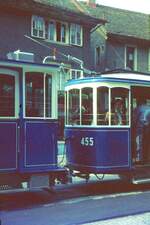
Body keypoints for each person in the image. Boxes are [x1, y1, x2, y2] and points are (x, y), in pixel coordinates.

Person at [133, 98, 150, 163]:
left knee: (139, 143)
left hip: (140, 128)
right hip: (148, 128)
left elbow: (134, 119)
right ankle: (147, 158)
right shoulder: (149, 108)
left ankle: (139, 159)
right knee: (147, 143)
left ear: (139, 102)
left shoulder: (138, 108)